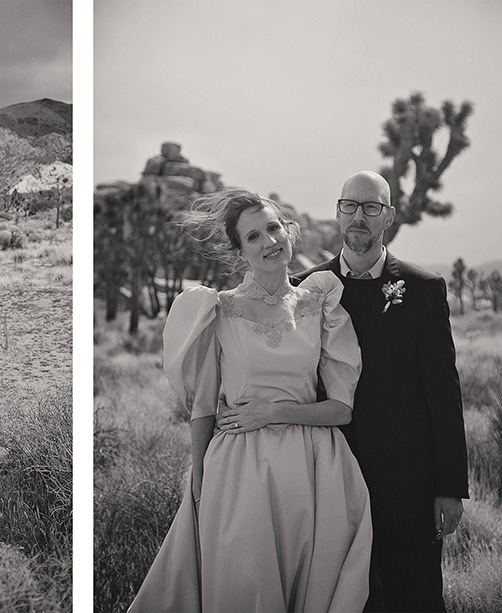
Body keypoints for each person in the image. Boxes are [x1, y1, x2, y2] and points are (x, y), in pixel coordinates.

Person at [129, 190, 373, 612]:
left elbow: (342, 409)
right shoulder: (217, 311)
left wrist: (273, 412)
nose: (269, 242)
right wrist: (201, 479)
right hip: (240, 473)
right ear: (240, 251)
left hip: (314, 472)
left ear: (290, 231)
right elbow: (203, 407)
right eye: (254, 236)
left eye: (274, 228)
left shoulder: (323, 307)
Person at [294, 170, 469, 612]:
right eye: (350, 206)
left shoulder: (424, 288)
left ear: (388, 216)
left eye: (371, 207)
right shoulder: (304, 291)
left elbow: (443, 392)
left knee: (417, 596)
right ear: (338, 212)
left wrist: (449, 485)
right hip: (332, 476)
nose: (359, 217)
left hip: (408, 482)